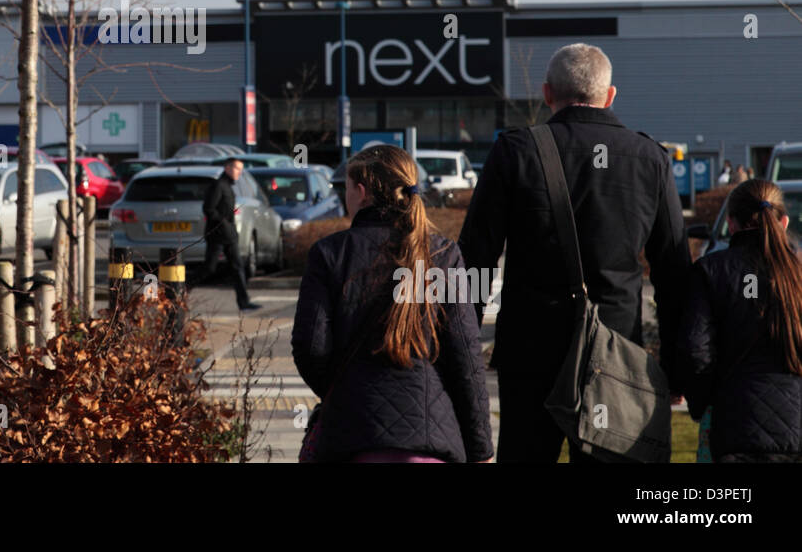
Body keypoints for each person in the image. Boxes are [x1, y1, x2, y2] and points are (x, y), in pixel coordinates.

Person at [459, 42, 690, 462]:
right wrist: (675, 363)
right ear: (610, 94)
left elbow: (474, 259)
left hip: (530, 354)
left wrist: (462, 347)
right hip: (616, 354)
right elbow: (674, 274)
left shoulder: (515, 152)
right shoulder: (650, 160)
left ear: (546, 94)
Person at [292, 144, 492, 462]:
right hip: (430, 439)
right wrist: (480, 447)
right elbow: (465, 357)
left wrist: (343, 389)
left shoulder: (330, 253)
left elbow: (310, 347)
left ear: (361, 191)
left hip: (351, 438)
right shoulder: (442, 255)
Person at [680, 180, 802, 461]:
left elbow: (695, 350)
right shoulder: (797, 273)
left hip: (732, 419)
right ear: (783, 221)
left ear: (732, 224)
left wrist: (702, 403)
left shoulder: (711, 270)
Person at [196, 158, 260, 311]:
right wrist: (223, 223)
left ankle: (244, 302)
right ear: (227, 168)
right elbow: (209, 209)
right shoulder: (218, 185)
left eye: (241, 169)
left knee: (238, 267)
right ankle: (181, 288)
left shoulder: (228, 186)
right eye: (237, 168)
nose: (239, 172)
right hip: (218, 235)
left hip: (229, 235)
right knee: (209, 269)